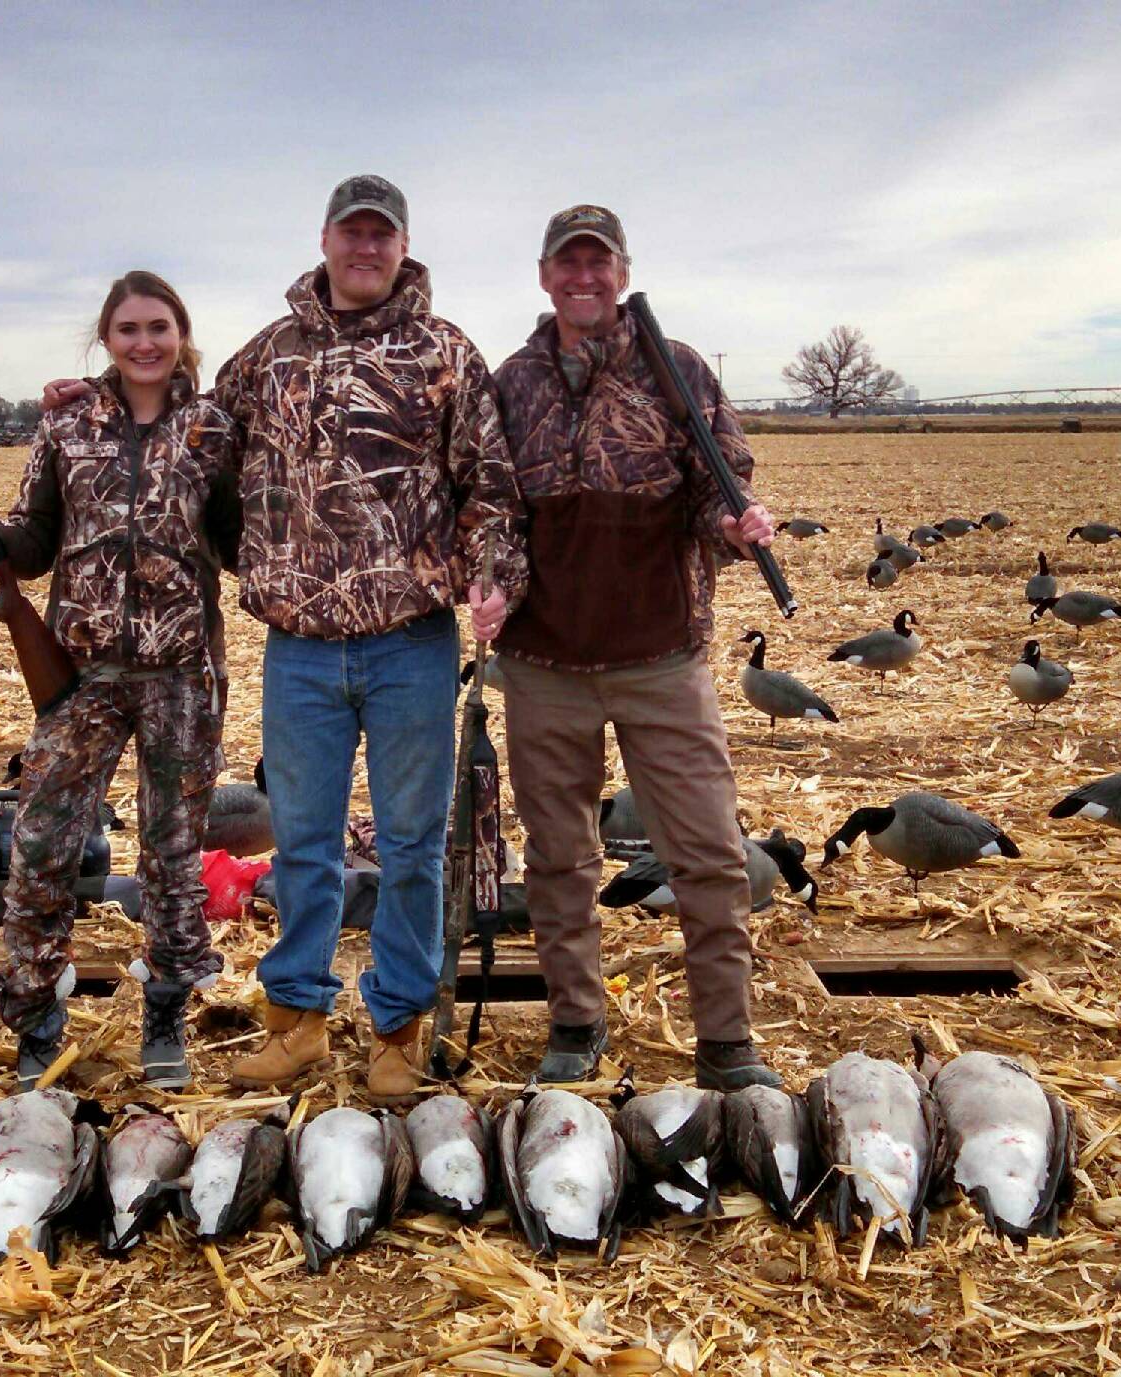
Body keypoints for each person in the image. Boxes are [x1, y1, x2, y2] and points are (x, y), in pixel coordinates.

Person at [45, 174, 526, 1102]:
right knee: (302, 842)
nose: (366, 249)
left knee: (415, 845)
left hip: (411, 642)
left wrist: (493, 579)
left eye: (381, 235)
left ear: (402, 244)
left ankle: (397, 1026)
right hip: (300, 647)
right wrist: (96, 398)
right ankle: (298, 1020)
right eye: (352, 233)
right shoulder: (269, 356)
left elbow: (490, 484)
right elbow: (188, 431)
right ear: (326, 239)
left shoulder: (446, 353)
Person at [490, 205, 783, 1090]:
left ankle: (727, 1043)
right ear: (545, 276)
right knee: (559, 856)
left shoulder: (678, 368)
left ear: (621, 272)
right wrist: (493, 577)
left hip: (662, 655)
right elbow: (494, 507)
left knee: (707, 852)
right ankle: (576, 1023)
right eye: (568, 264)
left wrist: (733, 524)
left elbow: (714, 488)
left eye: (600, 263)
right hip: (546, 663)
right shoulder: (513, 383)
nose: (584, 278)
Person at [0, 270, 240, 1091]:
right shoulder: (67, 423)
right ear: (107, 337)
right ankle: (36, 1015)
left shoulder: (212, 429)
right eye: (129, 327)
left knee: (174, 857)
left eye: (159, 327)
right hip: (83, 676)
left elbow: (241, 541)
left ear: (181, 335)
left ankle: (166, 1010)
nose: (144, 342)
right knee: (40, 847)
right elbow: (31, 541)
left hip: (181, 674)